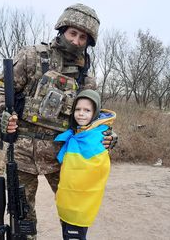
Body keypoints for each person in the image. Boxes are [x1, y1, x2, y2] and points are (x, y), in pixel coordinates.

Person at [0, 3, 117, 239]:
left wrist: (108, 135)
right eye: (73, 33)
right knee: (22, 220)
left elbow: (91, 116)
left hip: (63, 156)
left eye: (83, 37)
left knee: (74, 213)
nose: (77, 41)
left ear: (89, 42)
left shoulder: (86, 78)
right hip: (22, 152)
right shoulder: (32, 56)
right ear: (62, 30)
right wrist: (3, 114)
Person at [54, 89, 116, 240]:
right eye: (77, 109)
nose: (81, 113)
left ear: (95, 113)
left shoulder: (99, 136)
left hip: (82, 201)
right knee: (67, 231)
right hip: (68, 197)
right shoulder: (77, 132)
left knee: (75, 233)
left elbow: (98, 167)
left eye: (87, 110)